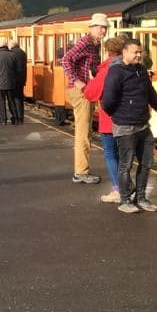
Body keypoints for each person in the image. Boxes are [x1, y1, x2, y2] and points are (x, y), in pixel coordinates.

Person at [100, 37, 157, 213]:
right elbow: (107, 102)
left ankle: (141, 197)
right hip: (125, 126)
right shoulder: (116, 72)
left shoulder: (141, 70)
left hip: (143, 125)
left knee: (146, 163)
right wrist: (119, 115)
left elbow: (151, 94)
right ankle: (124, 199)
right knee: (125, 165)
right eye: (135, 52)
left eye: (140, 52)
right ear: (125, 52)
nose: (138, 55)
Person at [60, 13, 109, 184]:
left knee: (85, 131)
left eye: (105, 27)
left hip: (86, 91)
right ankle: (81, 172)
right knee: (83, 132)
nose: (103, 30)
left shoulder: (93, 45)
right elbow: (66, 60)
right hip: (80, 92)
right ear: (92, 28)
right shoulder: (85, 42)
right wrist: (77, 81)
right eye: (100, 27)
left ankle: (81, 170)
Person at [81, 35, 126, 203]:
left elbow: (90, 94)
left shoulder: (107, 69)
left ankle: (118, 190)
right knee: (125, 156)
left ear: (107, 51)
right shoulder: (133, 67)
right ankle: (129, 187)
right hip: (130, 120)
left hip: (110, 120)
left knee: (111, 155)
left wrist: (83, 85)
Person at [0, 40, 19, 125]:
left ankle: (3, 119)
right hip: (10, 82)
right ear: (6, 46)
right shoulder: (12, 55)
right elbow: (16, 68)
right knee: (11, 101)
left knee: (1, 102)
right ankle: (15, 118)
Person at [7, 38, 27, 124]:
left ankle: (15, 116)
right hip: (22, 78)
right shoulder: (23, 53)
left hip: (13, 79)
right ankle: (21, 117)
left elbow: (11, 67)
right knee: (20, 98)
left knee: (13, 99)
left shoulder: (11, 53)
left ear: (11, 45)